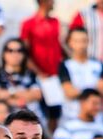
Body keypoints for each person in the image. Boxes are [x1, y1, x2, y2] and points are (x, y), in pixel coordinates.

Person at [19, 0, 63, 131]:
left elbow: (59, 45)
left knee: (55, 111)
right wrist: (38, 73)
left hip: (54, 75)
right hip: (37, 75)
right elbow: (24, 52)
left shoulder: (55, 22)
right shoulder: (28, 24)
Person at [58, 28, 103, 123]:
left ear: (89, 41)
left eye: (84, 40)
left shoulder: (98, 64)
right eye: (76, 41)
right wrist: (93, 91)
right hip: (72, 117)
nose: (81, 45)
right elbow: (69, 92)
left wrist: (80, 91)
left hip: (96, 119)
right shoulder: (65, 65)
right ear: (70, 43)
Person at [0, 38, 42, 116]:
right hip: (4, 120)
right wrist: (19, 94)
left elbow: (37, 95)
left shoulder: (31, 74)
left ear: (24, 54)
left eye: (19, 51)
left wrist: (7, 95)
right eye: (10, 50)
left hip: (30, 118)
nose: (15, 54)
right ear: (3, 54)